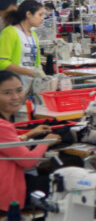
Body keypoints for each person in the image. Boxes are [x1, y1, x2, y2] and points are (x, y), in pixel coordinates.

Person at [0, 71, 59, 213]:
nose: (16, 97)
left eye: (19, 90)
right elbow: (28, 161)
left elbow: (7, 145)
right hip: (6, 196)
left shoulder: (5, 125)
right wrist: (45, 142)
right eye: (7, 93)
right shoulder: (3, 126)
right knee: (60, 183)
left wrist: (28, 135)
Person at [0, 0, 45, 87]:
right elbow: (2, 63)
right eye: (40, 15)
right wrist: (30, 72)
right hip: (14, 87)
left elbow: (37, 62)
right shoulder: (10, 32)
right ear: (28, 14)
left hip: (31, 86)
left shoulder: (33, 35)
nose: (42, 18)